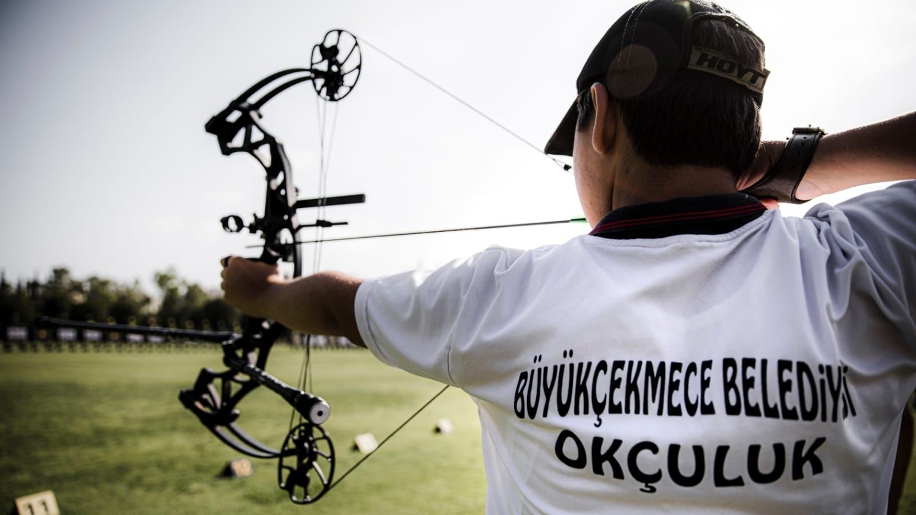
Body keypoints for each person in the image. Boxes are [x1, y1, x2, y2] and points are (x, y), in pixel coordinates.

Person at [221, 0, 915, 513]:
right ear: (744, 140)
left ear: (602, 116)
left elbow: (335, 304)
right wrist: (796, 165)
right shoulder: (866, 258)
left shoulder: (496, 295)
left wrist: (260, 291)